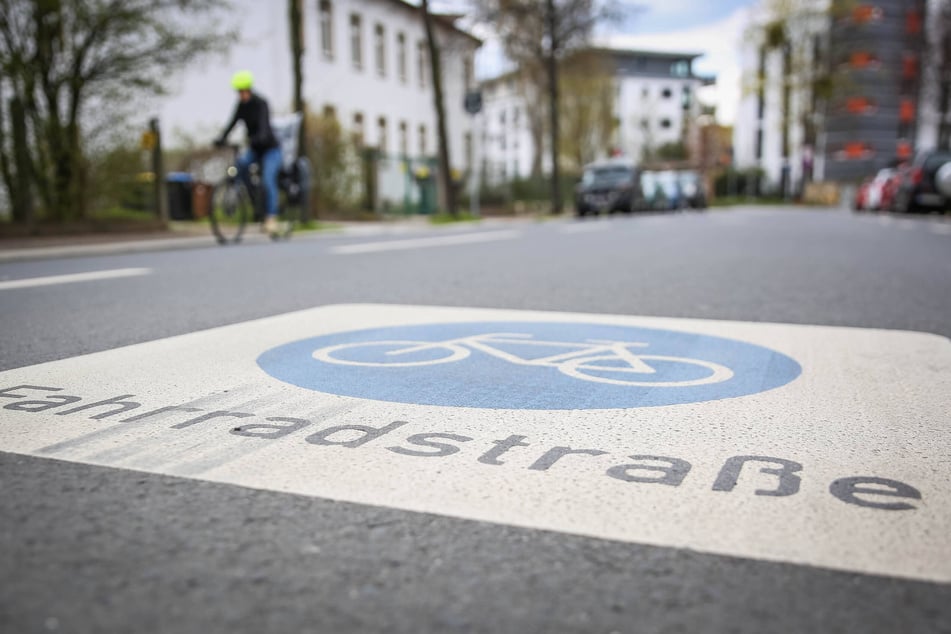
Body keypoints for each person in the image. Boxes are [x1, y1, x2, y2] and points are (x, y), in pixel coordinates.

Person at [215, 70, 282, 233]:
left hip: (270, 149)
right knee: (240, 166)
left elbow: (264, 126)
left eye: (243, 91)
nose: (241, 94)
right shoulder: (241, 106)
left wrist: (259, 137)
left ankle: (271, 217)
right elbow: (232, 123)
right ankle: (253, 199)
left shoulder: (261, 103)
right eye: (239, 92)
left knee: (267, 180)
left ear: (249, 90)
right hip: (254, 148)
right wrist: (221, 138)